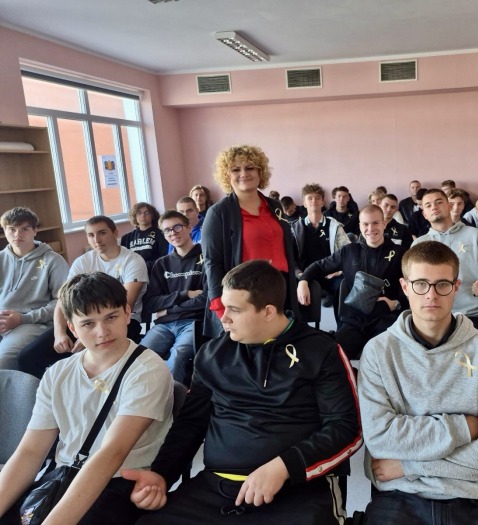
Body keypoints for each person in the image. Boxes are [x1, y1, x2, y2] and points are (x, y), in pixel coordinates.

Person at [124, 260, 362, 525]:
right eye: (224, 307)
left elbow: (346, 429)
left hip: (296, 488)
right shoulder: (212, 354)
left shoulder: (321, 350)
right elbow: (190, 424)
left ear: (268, 311)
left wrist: (284, 466)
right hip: (215, 488)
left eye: (234, 310)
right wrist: (162, 474)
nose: (223, 318)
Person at [358, 241, 478, 524]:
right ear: (405, 287)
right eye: (420, 284)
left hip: (477, 497)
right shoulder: (378, 352)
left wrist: (409, 465)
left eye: (442, 284)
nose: (431, 294)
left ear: (456, 287)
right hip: (400, 496)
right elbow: (381, 439)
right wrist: (463, 428)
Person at [0, 272, 173, 525]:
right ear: (72, 328)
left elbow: (111, 453)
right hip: (62, 477)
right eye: (88, 323)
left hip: (117, 482)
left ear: (127, 313)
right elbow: (30, 451)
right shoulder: (58, 373)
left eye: (111, 317)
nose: (102, 332)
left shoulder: (147, 370)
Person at [18, 216, 149, 378]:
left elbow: (124, 304)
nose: (97, 240)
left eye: (102, 233)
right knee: (27, 358)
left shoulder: (133, 261)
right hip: (83, 321)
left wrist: (88, 336)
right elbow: (64, 300)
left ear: (115, 233)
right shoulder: (83, 262)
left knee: (87, 363)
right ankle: (56, 390)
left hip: (120, 321)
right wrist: (60, 333)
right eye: (91, 235)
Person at [201, 145, 300, 339]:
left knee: (281, 345)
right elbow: (212, 262)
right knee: (252, 347)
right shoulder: (218, 213)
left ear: (260, 172)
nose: (244, 174)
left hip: (281, 290)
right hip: (244, 295)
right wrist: (221, 307)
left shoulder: (274, 206)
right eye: (235, 169)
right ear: (227, 175)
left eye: (250, 168)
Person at [414, 189, 478, 357]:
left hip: (475, 315)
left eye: (439, 202)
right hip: (435, 319)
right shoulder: (419, 246)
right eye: (428, 205)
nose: (434, 207)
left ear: (449, 206)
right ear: (424, 214)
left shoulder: (475, 236)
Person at [298, 205, 406, 359]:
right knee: (333, 357)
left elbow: (412, 287)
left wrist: (396, 303)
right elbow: (318, 267)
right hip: (354, 320)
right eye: (366, 224)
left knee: (385, 358)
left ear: (384, 223)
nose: (370, 228)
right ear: (360, 226)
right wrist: (303, 281)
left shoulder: (400, 254)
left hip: (386, 319)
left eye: (375, 223)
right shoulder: (349, 251)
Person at [141, 210, 207, 384]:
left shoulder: (206, 258)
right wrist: (185, 294)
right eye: (167, 230)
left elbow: (206, 299)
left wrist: (169, 309)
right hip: (165, 325)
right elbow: (151, 303)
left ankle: (172, 399)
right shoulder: (161, 264)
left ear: (188, 227)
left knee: (177, 356)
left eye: (177, 227)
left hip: (193, 322)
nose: (173, 233)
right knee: (140, 356)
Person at [0, 207, 68, 370]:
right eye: (12, 229)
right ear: (5, 231)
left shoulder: (53, 260)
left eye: (24, 229)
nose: (17, 235)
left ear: (35, 231)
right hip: (3, 322)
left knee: (2, 362)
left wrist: (23, 319)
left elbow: (63, 303)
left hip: (34, 324)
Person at [291, 183, 350, 320]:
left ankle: (342, 326)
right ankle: (302, 328)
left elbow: (348, 252)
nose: (314, 201)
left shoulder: (334, 226)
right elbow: (290, 258)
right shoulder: (295, 228)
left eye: (318, 198)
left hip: (330, 274)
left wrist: (340, 271)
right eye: (310, 198)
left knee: (343, 284)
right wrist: (300, 275)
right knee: (292, 288)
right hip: (304, 274)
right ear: (304, 203)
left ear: (323, 202)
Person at [120, 202, 168, 272]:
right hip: (132, 272)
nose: (143, 215)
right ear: (135, 216)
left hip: (154, 271)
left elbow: (164, 257)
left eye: (147, 213)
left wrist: (144, 266)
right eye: (139, 213)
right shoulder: (126, 238)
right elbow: (123, 259)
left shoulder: (161, 234)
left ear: (152, 216)